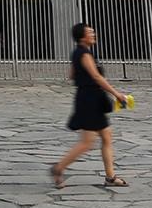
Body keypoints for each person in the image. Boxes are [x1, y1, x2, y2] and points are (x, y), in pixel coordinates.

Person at [51, 23, 130, 189]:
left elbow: (72, 74)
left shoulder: (78, 53)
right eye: (90, 32)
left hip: (88, 97)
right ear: (82, 37)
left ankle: (110, 176)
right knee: (87, 142)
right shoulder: (85, 54)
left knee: (107, 137)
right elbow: (96, 77)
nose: (93, 34)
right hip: (90, 100)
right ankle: (58, 168)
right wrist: (117, 94)